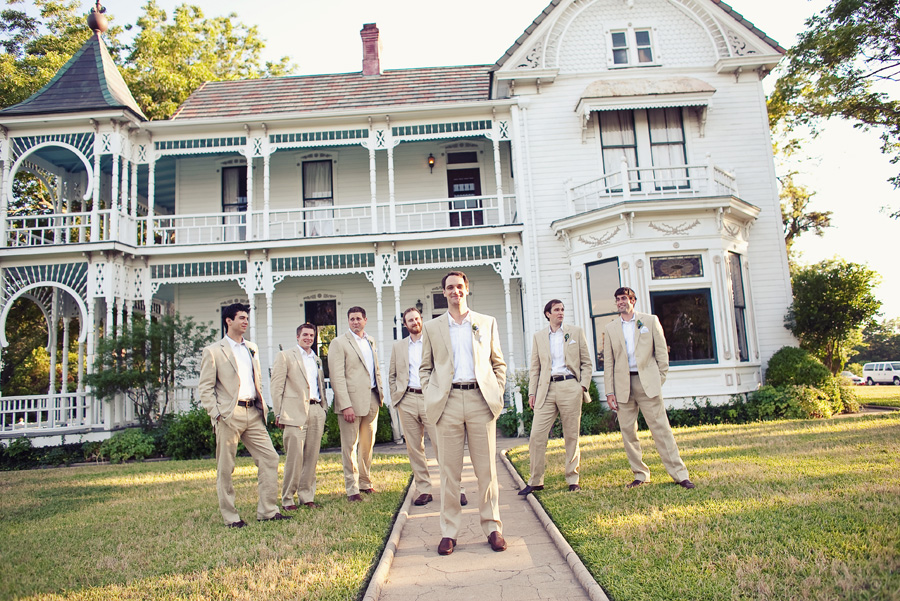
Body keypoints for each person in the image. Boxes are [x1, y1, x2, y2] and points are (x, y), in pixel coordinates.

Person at [420, 271, 508, 556]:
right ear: (444, 292)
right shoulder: (432, 328)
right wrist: (432, 392)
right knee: (449, 473)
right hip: (447, 403)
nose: (455, 291)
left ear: (466, 289)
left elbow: (498, 363)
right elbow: (425, 368)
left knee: (487, 471)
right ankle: (449, 532)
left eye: (459, 287)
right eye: (450, 288)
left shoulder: (486, 322)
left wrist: (497, 391)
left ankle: (493, 527)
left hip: (480, 400)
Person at [198, 302, 291, 527]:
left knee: (270, 457)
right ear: (229, 321)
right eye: (241, 318)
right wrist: (217, 414)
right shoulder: (213, 351)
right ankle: (231, 517)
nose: (245, 321)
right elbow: (205, 387)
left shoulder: (252, 348)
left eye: (246, 318)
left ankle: (268, 511)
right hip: (230, 415)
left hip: (254, 412)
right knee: (226, 467)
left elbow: (255, 380)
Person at [602, 287, 695, 489]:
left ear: (633, 300)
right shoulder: (610, 329)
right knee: (629, 432)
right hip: (623, 386)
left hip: (647, 384)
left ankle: (680, 475)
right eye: (617, 299)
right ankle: (640, 474)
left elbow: (662, 354)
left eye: (624, 298)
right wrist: (609, 392)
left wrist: (658, 379)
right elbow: (608, 362)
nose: (620, 302)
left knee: (661, 429)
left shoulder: (650, 321)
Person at [389, 307, 467, 508]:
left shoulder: (434, 340)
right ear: (405, 325)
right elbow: (392, 375)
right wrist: (396, 396)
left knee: (444, 446)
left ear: (421, 320)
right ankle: (424, 490)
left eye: (417, 319)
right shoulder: (398, 347)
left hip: (431, 399)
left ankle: (456, 489)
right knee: (414, 448)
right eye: (410, 320)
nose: (414, 322)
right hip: (407, 399)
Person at [519, 299, 593, 496]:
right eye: (556, 310)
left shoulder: (575, 332)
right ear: (547, 314)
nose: (560, 313)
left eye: (562, 309)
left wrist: (582, 386)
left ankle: (572, 478)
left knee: (571, 435)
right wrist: (532, 392)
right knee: (536, 435)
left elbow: (587, 362)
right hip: (547, 389)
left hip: (570, 386)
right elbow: (535, 368)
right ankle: (536, 480)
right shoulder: (539, 337)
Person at [328, 306, 385, 501]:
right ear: (348, 321)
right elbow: (336, 376)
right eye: (351, 319)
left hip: (372, 398)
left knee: (367, 444)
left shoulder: (370, 341)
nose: (355, 322)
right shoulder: (339, 343)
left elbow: (374, 369)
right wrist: (345, 405)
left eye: (358, 318)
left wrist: (380, 393)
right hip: (350, 401)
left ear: (365, 320)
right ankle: (352, 488)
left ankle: (365, 482)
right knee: (350, 446)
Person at [271, 323, 327, 511]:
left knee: (312, 457)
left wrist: (323, 408)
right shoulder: (285, 356)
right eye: (305, 335)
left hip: (316, 410)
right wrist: (278, 412)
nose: (308, 338)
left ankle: (307, 496)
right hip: (293, 413)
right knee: (294, 458)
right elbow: (277, 386)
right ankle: (288, 498)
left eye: (311, 335)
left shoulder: (316, 359)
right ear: (297, 336)